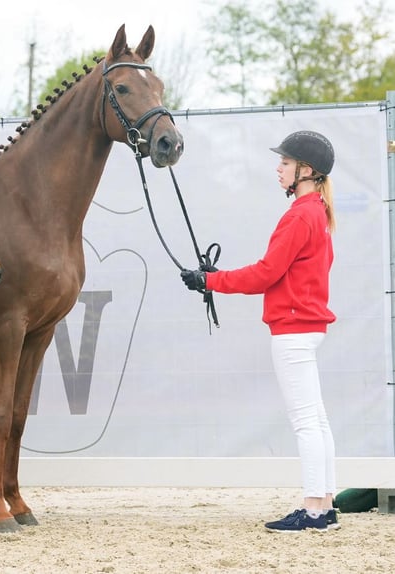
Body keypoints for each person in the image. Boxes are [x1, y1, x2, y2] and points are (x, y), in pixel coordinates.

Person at [181, 130, 339, 532]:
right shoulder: (316, 212)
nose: (279, 168)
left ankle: (314, 511)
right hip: (307, 324)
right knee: (317, 420)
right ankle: (326, 503)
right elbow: (277, 272)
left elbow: (266, 273)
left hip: (293, 328)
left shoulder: (300, 215)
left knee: (306, 422)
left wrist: (209, 282)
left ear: (306, 171)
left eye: (285, 163)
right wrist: (218, 277)